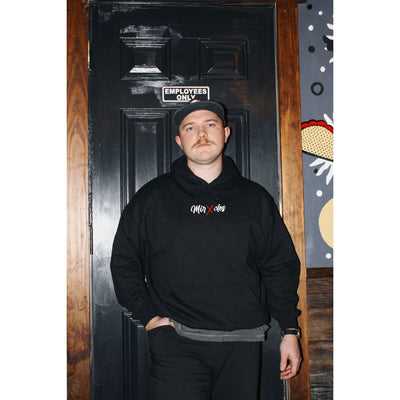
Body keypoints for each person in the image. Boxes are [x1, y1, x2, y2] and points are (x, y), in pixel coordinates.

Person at [111, 100, 302, 400]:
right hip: (176, 342)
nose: (201, 134)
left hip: (243, 342)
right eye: (190, 128)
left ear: (225, 133)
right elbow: (124, 263)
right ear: (179, 140)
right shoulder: (152, 198)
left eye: (210, 124)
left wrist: (290, 330)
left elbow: (279, 266)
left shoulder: (255, 199)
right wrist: (149, 318)